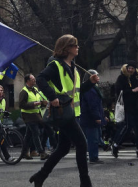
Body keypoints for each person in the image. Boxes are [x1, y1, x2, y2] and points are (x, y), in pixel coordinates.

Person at [30, 34, 93, 187]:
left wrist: (90, 83)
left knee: (63, 148)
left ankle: (40, 176)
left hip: (70, 112)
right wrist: (52, 97)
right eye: (75, 45)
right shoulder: (56, 65)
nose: (78, 48)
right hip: (63, 112)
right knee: (82, 144)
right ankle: (85, 182)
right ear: (67, 48)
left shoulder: (73, 66)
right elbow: (40, 79)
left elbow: (75, 92)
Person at [111, 61, 138, 158]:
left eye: (132, 68)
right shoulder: (122, 78)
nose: (130, 70)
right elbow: (119, 91)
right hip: (127, 106)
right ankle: (115, 144)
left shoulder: (136, 78)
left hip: (136, 107)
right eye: (129, 68)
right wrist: (132, 90)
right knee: (128, 126)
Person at [19, 73, 50, 160]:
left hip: (36, 115)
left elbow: (39, 102)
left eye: (34, 78)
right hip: (28, 116)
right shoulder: (24, 91)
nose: (34, 80)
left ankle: (24, 152)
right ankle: (41, 152)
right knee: (36, 133)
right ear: (28, 81)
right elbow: (21, 105)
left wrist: (43, 104)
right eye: (32, 79)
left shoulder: (35, 89)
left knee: (28, 135)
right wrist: (34, 104)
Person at [79, 70, 105, 164]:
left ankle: (88, 156)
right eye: (96, 76)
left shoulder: (93, 87)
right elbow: (92, 104)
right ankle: (93, 157)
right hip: (90, 118)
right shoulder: (90, 89)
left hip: (89, 117)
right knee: (93, 139)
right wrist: (97, 117)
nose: (98, 77)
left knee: (93, 137)